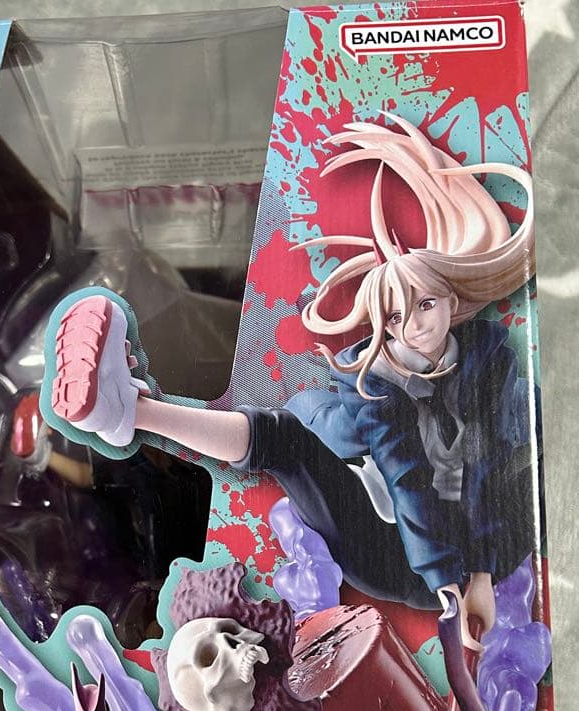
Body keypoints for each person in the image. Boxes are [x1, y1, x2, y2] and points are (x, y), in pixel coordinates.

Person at [48, 116, 538, 649]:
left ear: (452, 299)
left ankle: (132, 411)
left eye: (425, 305)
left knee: (510, 450)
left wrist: (480, 572)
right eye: (395, 317)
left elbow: (502, 462)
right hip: (398, 554)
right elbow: (408, 479)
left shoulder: (492, 361)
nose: (414, 326)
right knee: (289, 437)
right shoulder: (377, 380)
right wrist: (447, 582)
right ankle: (131, 412)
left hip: (479, 546)